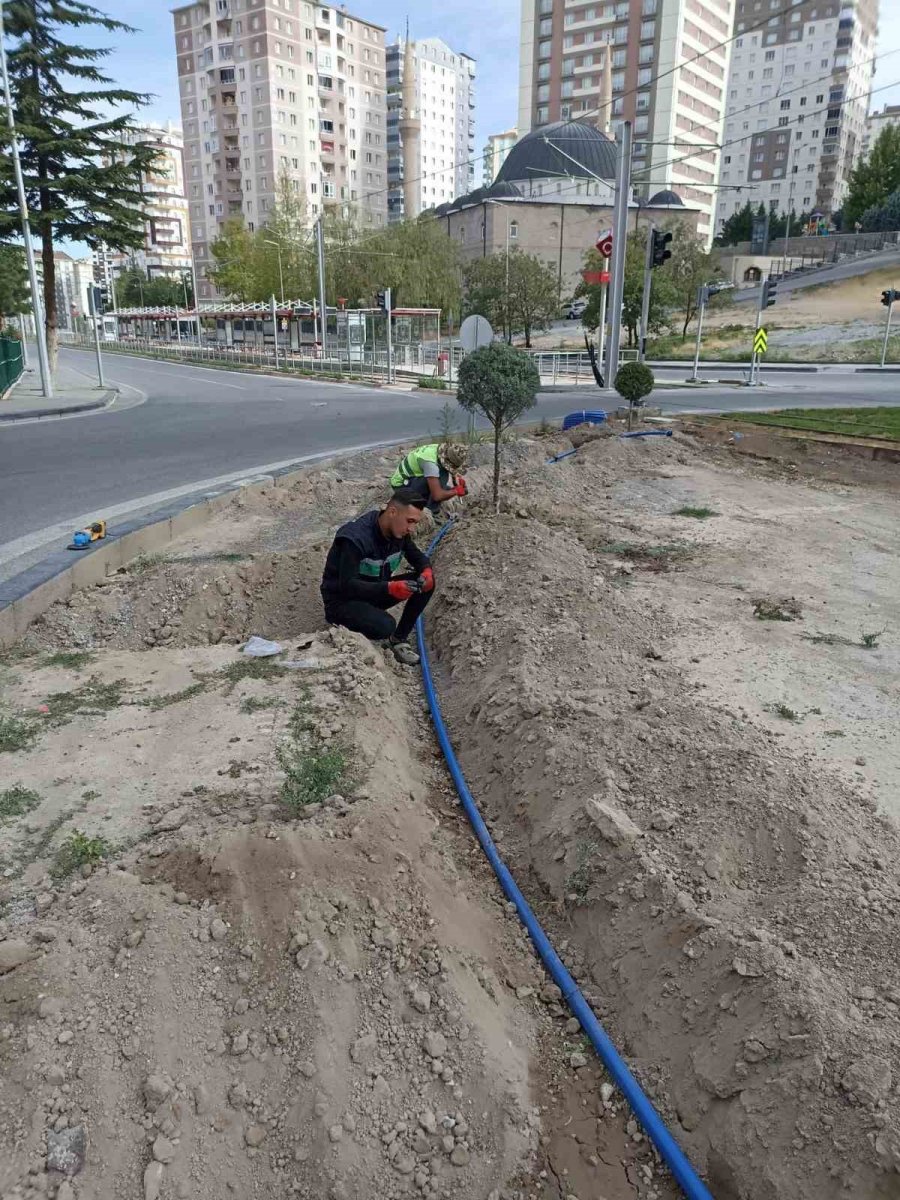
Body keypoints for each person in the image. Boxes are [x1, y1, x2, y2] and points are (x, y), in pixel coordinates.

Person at [320, 488, 435, 666]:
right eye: (409, 521)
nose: (411, 529)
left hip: (373, 592)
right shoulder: (355, 539)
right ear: (392, 512)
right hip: (342, 602)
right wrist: (389, 588)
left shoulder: (398, 533)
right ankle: (362, 624)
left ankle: (398, 640)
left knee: (427, 583)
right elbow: (347, 586)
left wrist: (426, 570)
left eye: (415, 523)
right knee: (385, 626)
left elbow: (417, 557)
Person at [389, 441, 468, 513]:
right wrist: (456, 491)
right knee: (443, 481)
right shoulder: (431, 465)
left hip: (412, 477)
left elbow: (449, 467)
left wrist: (456, 480)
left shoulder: (439, 449)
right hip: (401, 486)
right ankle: (431, 510)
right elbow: (437, 496)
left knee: (445, 487)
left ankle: (426, 498)